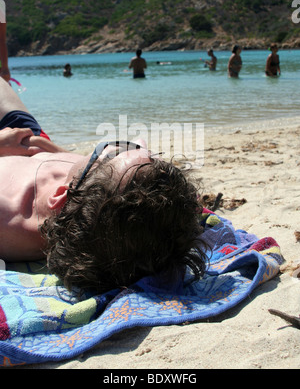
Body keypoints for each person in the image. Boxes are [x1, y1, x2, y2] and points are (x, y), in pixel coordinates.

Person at [0, 77, 207, 293]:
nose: (140, 144)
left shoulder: (9, 218)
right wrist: (54, 150)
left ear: (61, 195)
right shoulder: (90, 197)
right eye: (137, 150)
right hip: (36, 147)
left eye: (114, 152)